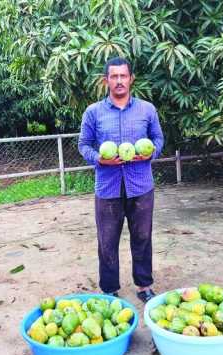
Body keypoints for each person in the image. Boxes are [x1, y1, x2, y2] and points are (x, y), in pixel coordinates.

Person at [78, 57, 164, 303]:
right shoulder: (93, 112)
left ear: (130, 79)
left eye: (123, 76)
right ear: (106, 81)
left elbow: (158, 140)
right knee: (107, 241)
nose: (119, 81)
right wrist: (99, 159)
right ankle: (109, 290)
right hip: (108, 188)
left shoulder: (147, 110)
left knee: (143, 237)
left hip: (141, 186)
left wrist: (151, 152)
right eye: (113, 77)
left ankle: (144, 285)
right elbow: (83, 145)